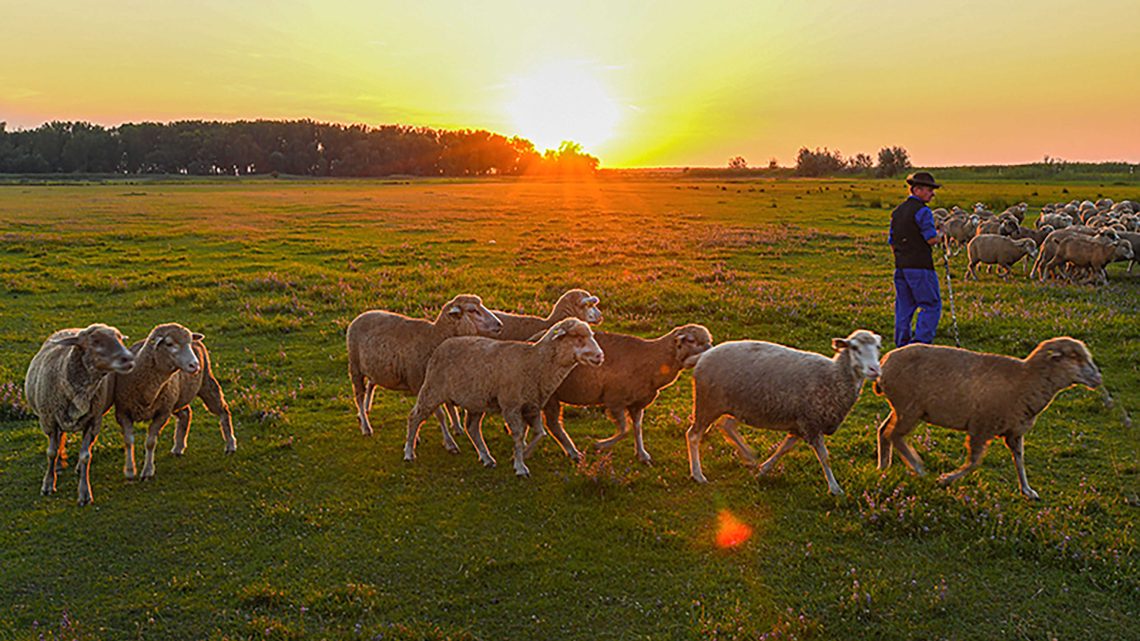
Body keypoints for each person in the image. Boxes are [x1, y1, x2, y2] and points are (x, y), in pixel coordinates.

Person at [888, 171, 942, 347]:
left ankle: (901, 346)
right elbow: (931, 239)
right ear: (916, 190)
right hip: (921, 267)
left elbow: (892, 242)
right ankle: (920, 345)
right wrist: (942, 235)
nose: (932, 194)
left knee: (904, 307)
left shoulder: (897, 212)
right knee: (931, 304)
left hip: (901, 267)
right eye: (929, 190)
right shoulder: (923, 212)